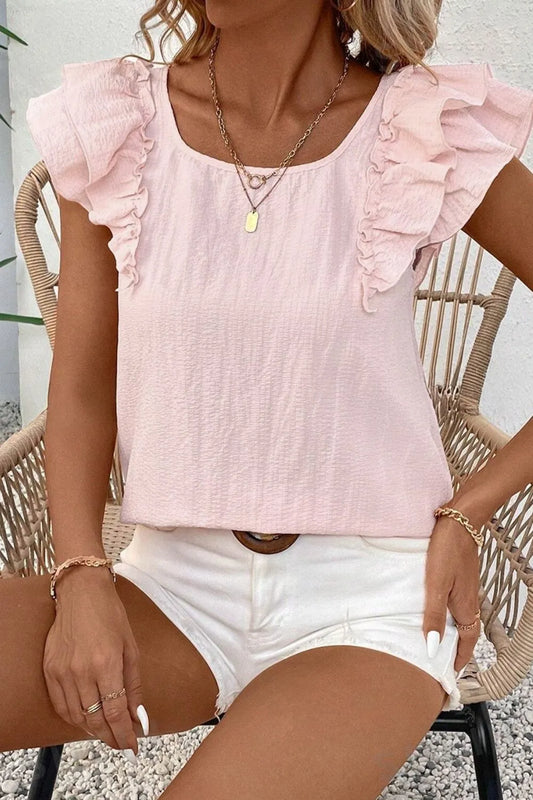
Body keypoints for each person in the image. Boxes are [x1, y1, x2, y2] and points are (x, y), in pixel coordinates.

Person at [2, 0, 533, 797]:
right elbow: (81, 386)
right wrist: (79, 573)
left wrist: (469, 510)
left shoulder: (422, 129)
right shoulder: (115, 126)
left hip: (374, 601)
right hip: (169, 584)